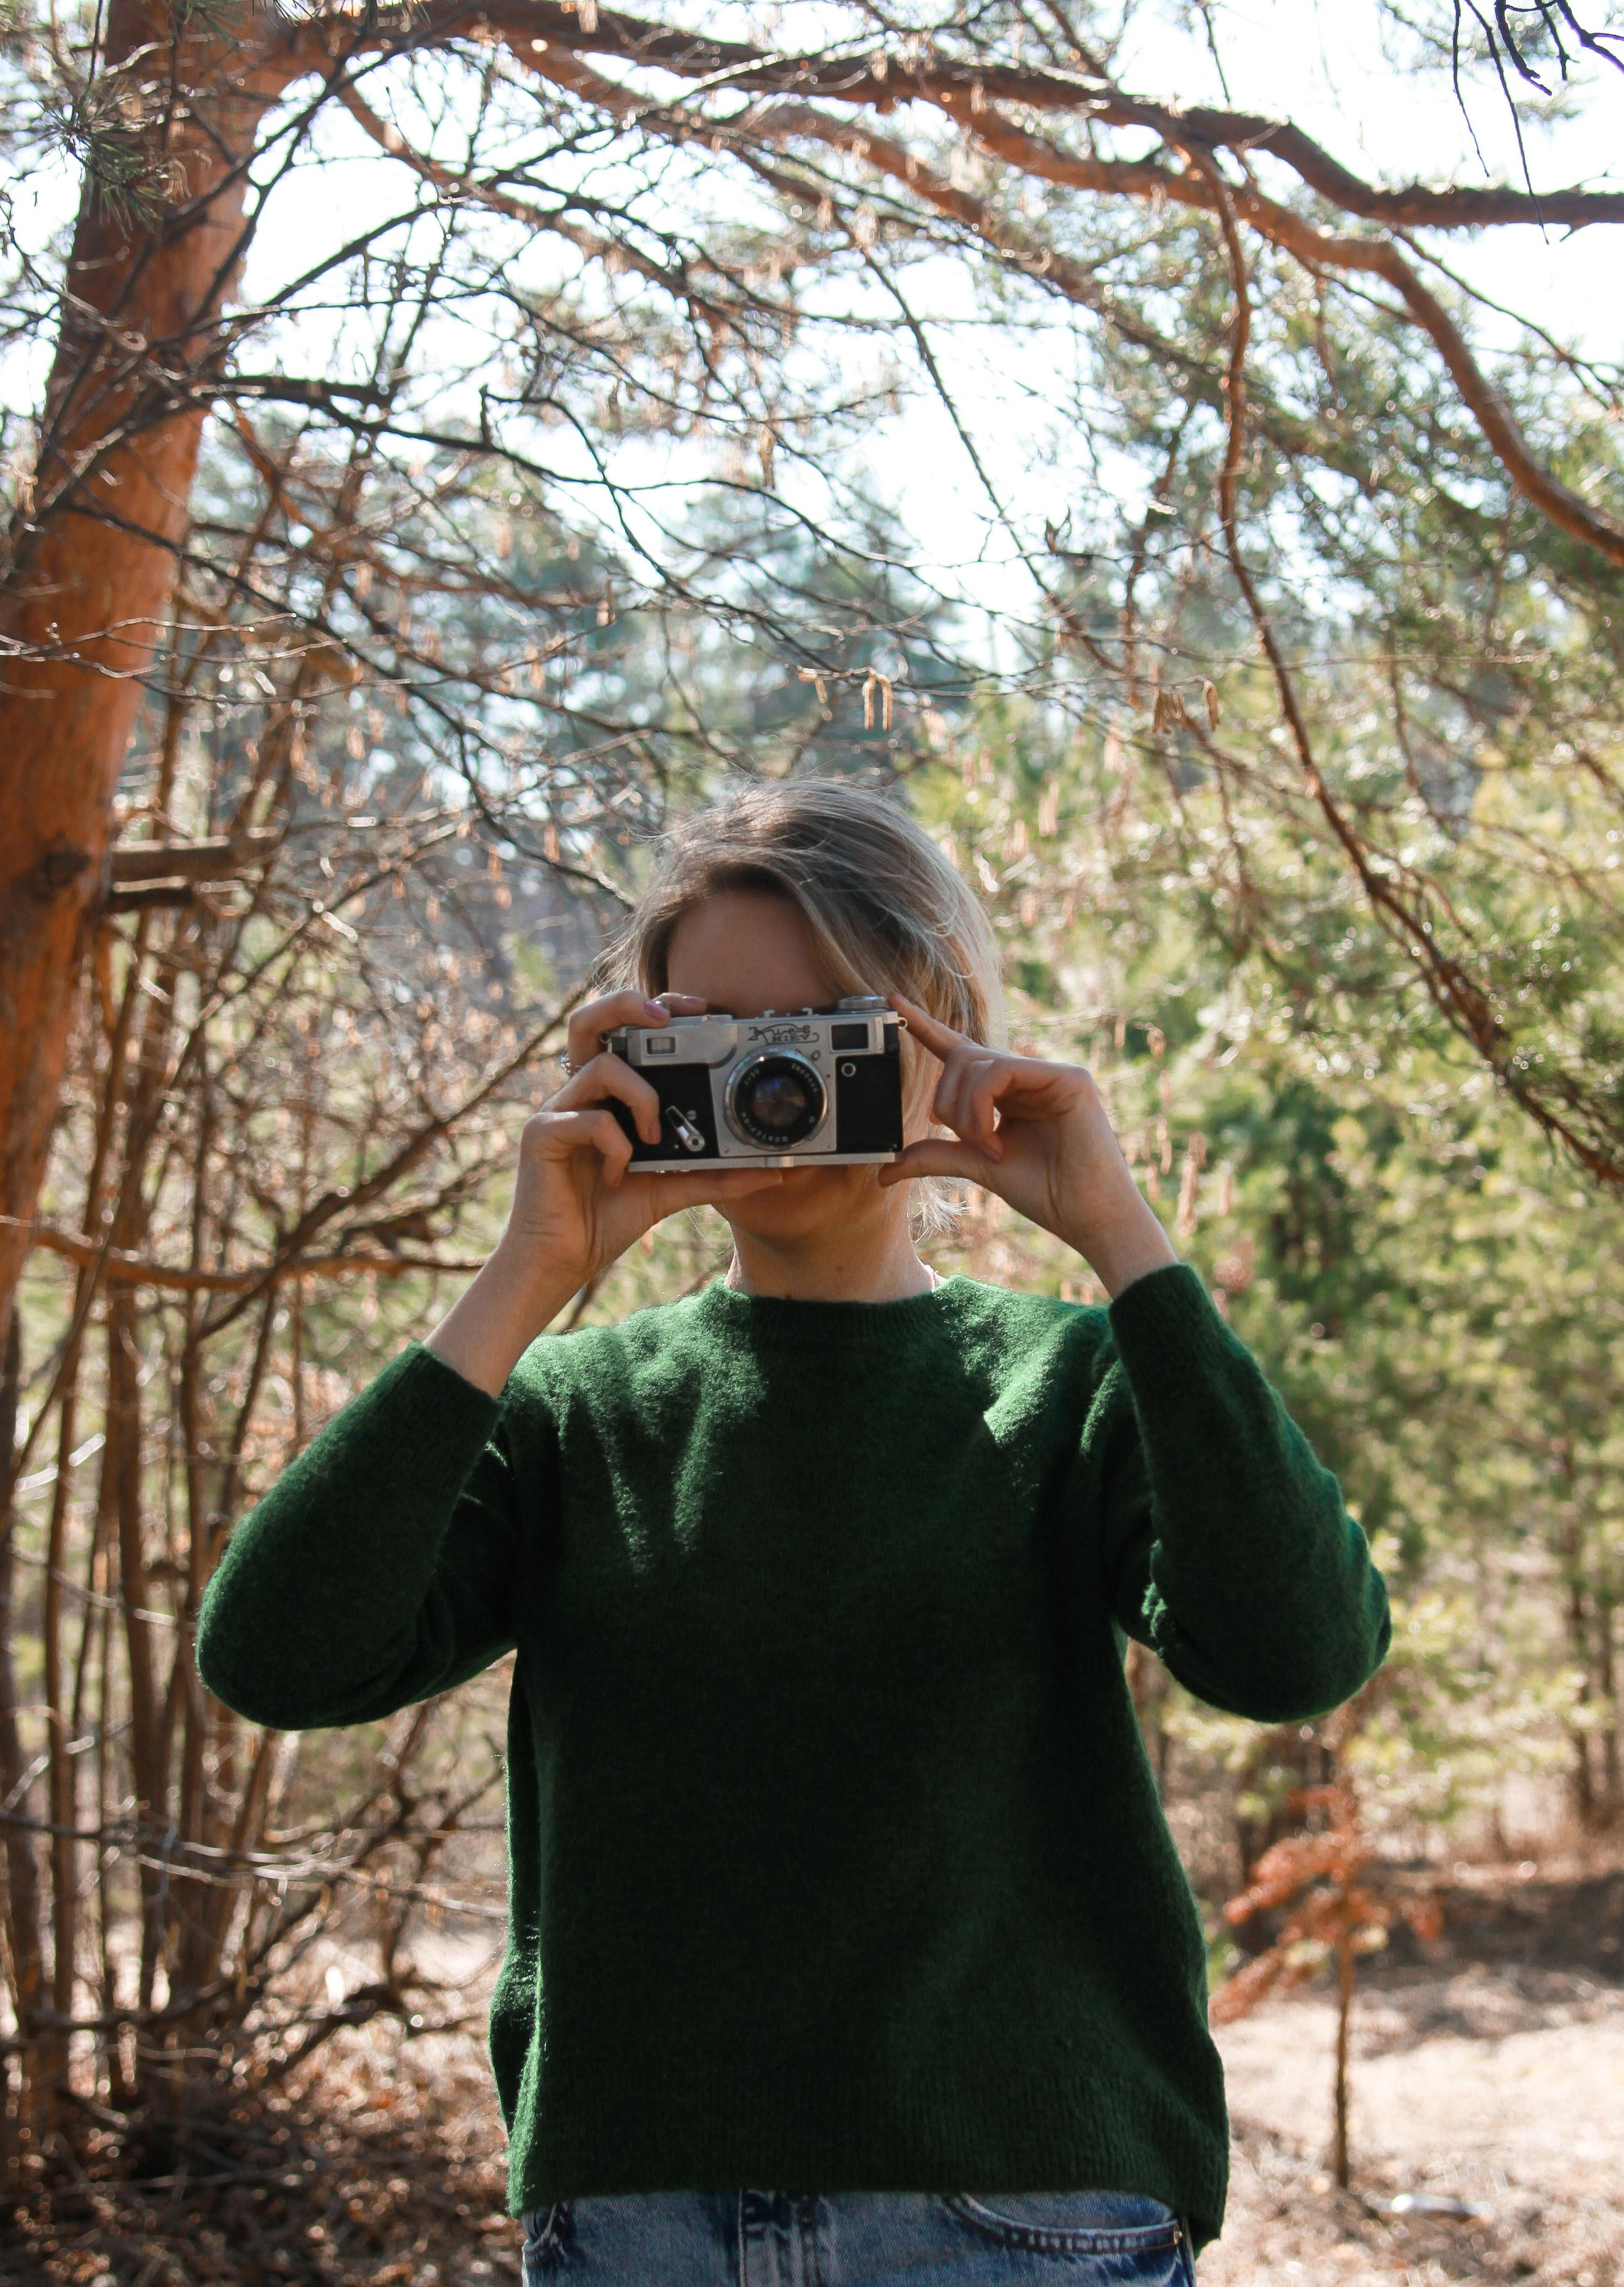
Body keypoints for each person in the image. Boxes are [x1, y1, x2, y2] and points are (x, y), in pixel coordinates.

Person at [196, 775, 1390, 2286]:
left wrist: (1118, 1235)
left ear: (940, 1028)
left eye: (821, 1036)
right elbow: (275, 1655)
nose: (771, 1085)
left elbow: (1298, 1656)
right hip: (640, 2221)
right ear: (640, 1052)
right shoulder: (573, 1410)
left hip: (1020, 2218)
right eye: (718, 1039)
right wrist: (528, 1272)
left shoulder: (1072, 1382)